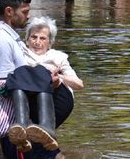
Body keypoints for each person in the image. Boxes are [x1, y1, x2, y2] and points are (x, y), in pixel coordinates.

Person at [0, 0, 73, 159]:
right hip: (16, 121)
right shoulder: (2, 41)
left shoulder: (9, 38)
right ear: (9, 11)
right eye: (25, 12)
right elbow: (5, 84)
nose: (29, 16)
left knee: (52, 154)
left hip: (26, 121)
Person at [7, 16, 83, 155]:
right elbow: (4, 37)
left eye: (42, 38)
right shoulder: (21, 53)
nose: (37, 42)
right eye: (33, 37)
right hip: (27, 97)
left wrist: (57, 76)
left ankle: (46, 130)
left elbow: (79, 84)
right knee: (18, 74)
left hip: (56, 99)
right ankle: (23, 128)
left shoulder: (57, 57)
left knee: (42, 73)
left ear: (50, 42)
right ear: (27, 39)